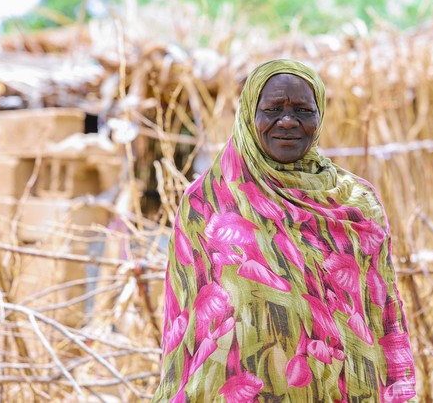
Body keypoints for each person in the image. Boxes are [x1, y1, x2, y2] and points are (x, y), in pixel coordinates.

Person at [153, 59, 417, 402]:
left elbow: (383, 313)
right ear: (251, 115)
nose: (288, 121)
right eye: (273, 109)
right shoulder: (206, 203)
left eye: (303, 110)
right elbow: (187, 321)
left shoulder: (357, 203)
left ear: (320, 116)